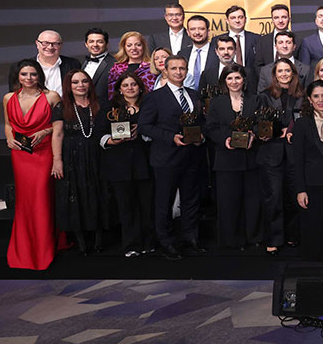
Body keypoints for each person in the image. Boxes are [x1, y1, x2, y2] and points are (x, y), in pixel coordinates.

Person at [138, 55, 207, 260]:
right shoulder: (154, 97)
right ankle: (166, 242)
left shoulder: (194, 95)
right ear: (165, 71)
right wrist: (170, 138)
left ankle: (190, 239)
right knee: (164, 202)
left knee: (191, 200)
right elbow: (144, 126)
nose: (178, 72)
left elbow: (202, 122)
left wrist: (201, 137)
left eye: (182, 68)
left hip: (192, 156)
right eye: (174, 68)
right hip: (166, 158)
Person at [5, 59, 62, 270]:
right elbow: (7, 124)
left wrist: (45, 131)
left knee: (41, 198)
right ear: (18, 77)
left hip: (44, 153)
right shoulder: (8, 98)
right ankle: (24, 249)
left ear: (39, 76)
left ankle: (44, 248)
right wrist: (8, 139)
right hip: (20, 154)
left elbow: (62, 124)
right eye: (24, 74)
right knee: (25, 200)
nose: (28, 78)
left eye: (33, 74)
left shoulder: (51, 96)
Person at [52, 69, 110, 254]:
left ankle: (99, 239)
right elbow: (57, 134)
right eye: (75, 82)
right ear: (68, 86)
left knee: (98, 193)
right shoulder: (61, 107)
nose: (80, 85)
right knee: (75, 195)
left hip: (97, 155)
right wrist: (57, 160)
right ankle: (81, 242)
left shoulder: (101, 104)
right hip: (72, 157)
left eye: (84, 81)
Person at [205, 64, 261, 250]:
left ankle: (252, 237)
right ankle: (231, 240)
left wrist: (253, 134)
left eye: (237, 78)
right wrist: (225, 139)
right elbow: (210, 128)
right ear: (224, 81)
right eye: (230, 78)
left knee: (252, 201)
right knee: (229, 202)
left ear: (244, 80)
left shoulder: (255, 99)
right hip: (226, 160)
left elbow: (261, 124)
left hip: (250, 159)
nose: (234, 82)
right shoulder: (216, 102)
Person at [101, 72, 154, 258]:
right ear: (119, 89)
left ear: (140, 87)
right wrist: (111, 141)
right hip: (119, 164)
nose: (130, 88)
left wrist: (144, 131)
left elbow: (158, 129)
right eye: (125, 85)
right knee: (125, 206)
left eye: (133, 84)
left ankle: (148, 243)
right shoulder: (110, 107)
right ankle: (130, 244)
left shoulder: (149, 106)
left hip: (145, 162)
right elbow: (99, 133)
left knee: (147, 205)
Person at [290, 80, 323, 261]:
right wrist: (300, 190)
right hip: (312, 184)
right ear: (310, 100)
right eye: (316, 96)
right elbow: (297, 160)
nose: (321, 100)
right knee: (313, 228)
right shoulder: (302, 124)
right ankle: (314, 266)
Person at [257, 58, 303, 255]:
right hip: (271, 153)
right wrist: (276, 132)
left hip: (294, 153)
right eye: (280, 71)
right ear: (274, 75)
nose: (284, 74)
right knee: (274, 198)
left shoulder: (302, 95)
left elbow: (305, 121)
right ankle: (274, 238)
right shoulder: (264, 96)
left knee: (294, 196)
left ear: (293, 73)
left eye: (287, 71)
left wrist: (292, 130)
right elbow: (259, 123)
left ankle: (293, 235)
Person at [8, 29, 81, 93]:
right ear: (37, 44)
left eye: (55, 44)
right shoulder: (20, 67)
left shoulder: (73, 64)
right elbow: (14, 94)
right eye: (45, 43)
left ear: (61, 45)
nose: (50, 47)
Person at [107, 31, 158, 98]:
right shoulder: (116, 69)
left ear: (143, 46)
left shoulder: (152, 67)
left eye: (138, 45)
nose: (133, 48)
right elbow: (112, 93)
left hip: (148, 103)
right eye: (129, 45)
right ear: (124, 47)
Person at [183, 15, 216, 92]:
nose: (197, 32)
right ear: (188, 32)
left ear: (208, 31)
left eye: (201, 29)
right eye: (193, 29)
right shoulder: (183, 53)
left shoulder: (217, 52)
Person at [82, 28, 112, 108]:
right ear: (86, 44)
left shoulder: (115, 64)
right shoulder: (83, 64)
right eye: (91, 41)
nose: (95, 45)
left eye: (100, 42)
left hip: (106, 110)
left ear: (107, 44)